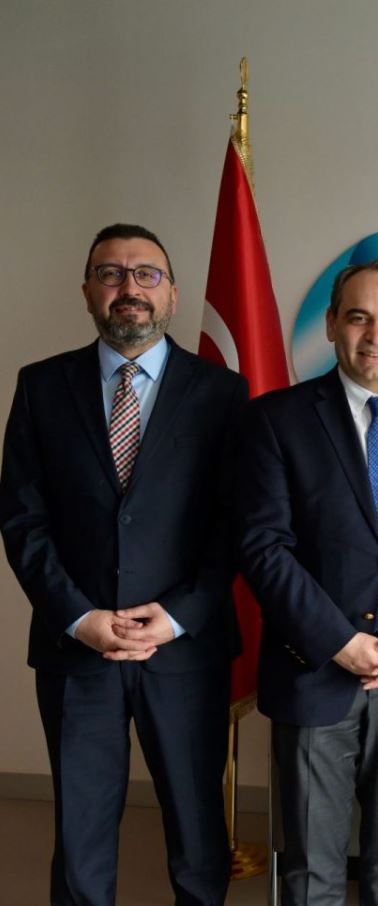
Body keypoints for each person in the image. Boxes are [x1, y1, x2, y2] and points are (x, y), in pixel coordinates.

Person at [0, 223, 247, 904]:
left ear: (172, 294)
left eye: (146, 274)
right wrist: (78, 617)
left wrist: (176, 617)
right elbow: (22, 520)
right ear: (87, 291)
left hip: (185, 651)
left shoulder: (223, 393)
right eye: (110, 273)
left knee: (198, 836)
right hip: (77, 650)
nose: (129, 287)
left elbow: (235, 524)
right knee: (80, 841)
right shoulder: (41, 386)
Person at [238, 258, 378, 904]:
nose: (376, 335)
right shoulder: (276, 419)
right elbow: (263, 549)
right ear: (333, 324)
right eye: (360, 317)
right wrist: (338, 640)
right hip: (313, 674)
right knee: (312, 868)